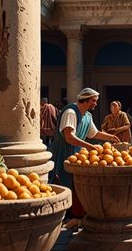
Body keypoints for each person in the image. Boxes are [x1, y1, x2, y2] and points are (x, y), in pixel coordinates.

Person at [49, 88, 120, 229]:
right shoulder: (70, 112)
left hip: (76, 154)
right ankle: (64, 217)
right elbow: (69, 137)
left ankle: (76, 216)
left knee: (77, 184)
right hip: (63, 152)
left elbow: (94, 134)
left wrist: (110, 137)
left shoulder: (87, 116)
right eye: (93, 101)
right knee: (64, 183)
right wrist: (89, 147)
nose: (95, 104)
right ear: (85, 100)